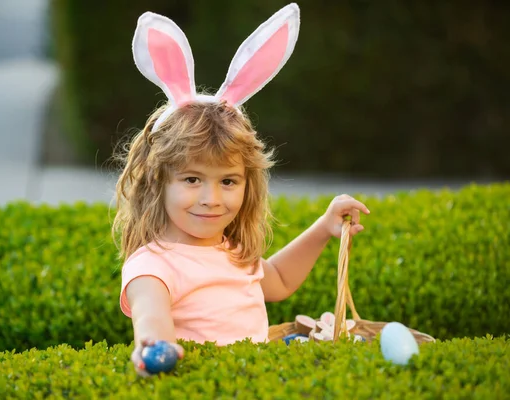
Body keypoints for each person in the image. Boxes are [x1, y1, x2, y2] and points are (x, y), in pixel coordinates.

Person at [112, 4, 370, 377]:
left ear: (248, 184)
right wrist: (155, 344)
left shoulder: (229, 250)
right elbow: (151, 317)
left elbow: (278, 281)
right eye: (191, 179)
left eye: (228, 181)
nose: (211, 198)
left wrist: (323, 228)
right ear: (157, 181)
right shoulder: (153, 266)